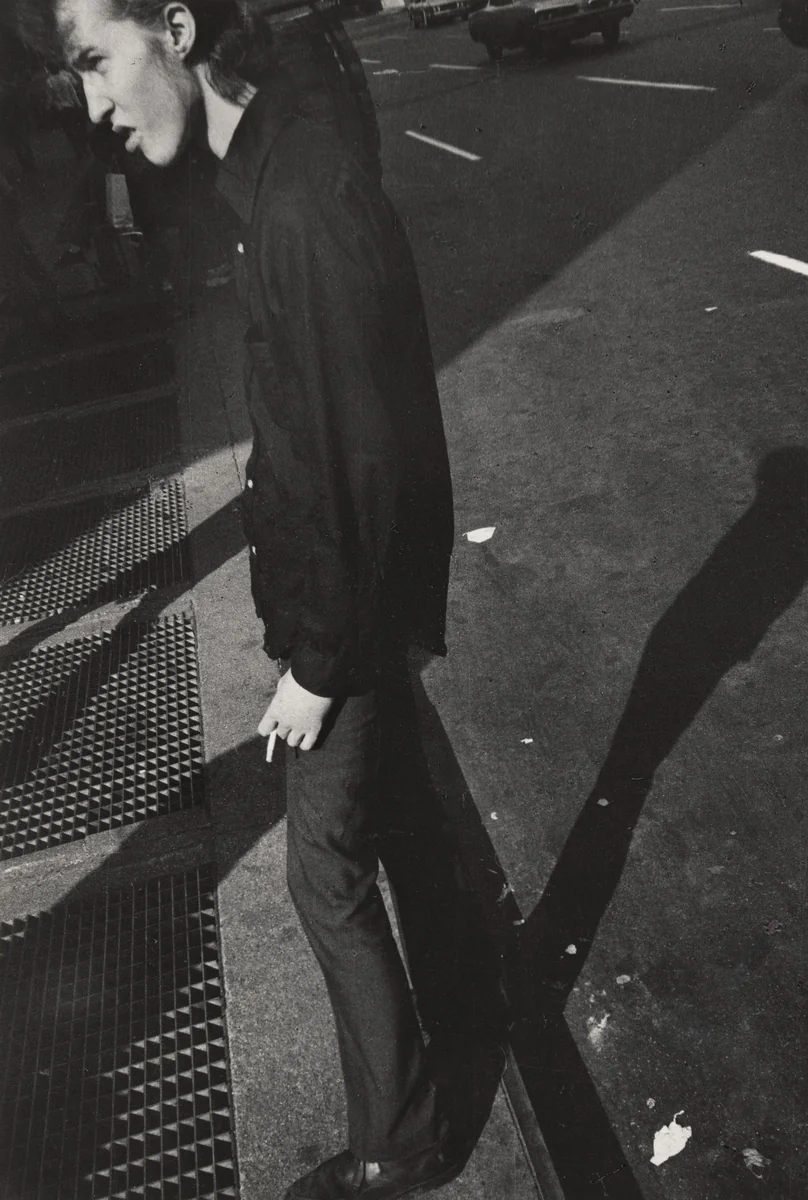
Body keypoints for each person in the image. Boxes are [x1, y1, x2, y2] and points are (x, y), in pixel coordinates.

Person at [50, 0, 461, 1196]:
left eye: (95, 62)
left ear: (174, 28)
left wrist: (317, 668)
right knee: (362, 844)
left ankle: (403, 1142)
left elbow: (371, 460)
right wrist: (271, 464)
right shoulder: (278, 163)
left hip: (344, 620)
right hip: (342, 600)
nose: (93, 107)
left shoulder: (301, 202)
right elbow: (330, 413)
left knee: (322, 873)